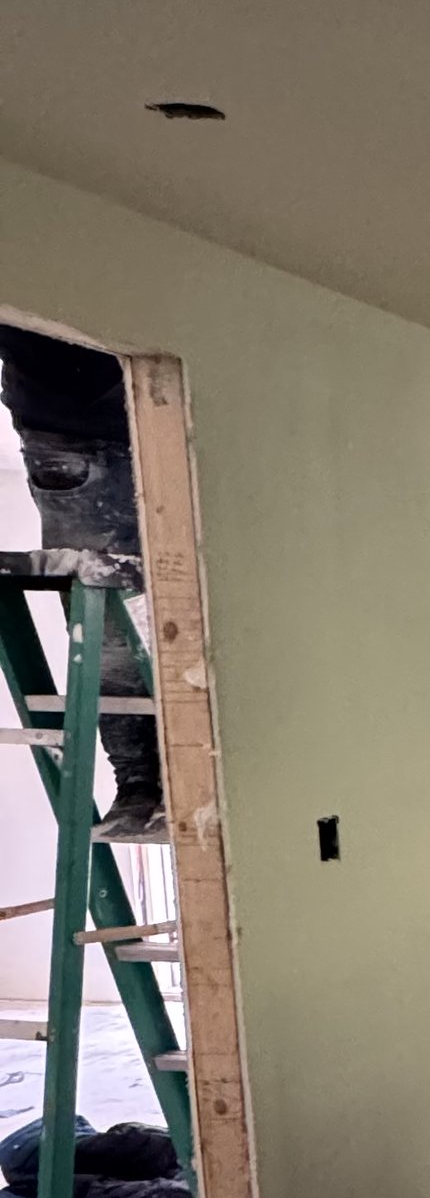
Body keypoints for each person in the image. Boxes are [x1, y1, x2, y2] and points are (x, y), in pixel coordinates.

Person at [0, 322, 166, 838]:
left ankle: (141, 785)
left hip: (76, 426)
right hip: (95, 423)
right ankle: (142, 785)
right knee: (118, 626)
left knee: (119, 629)